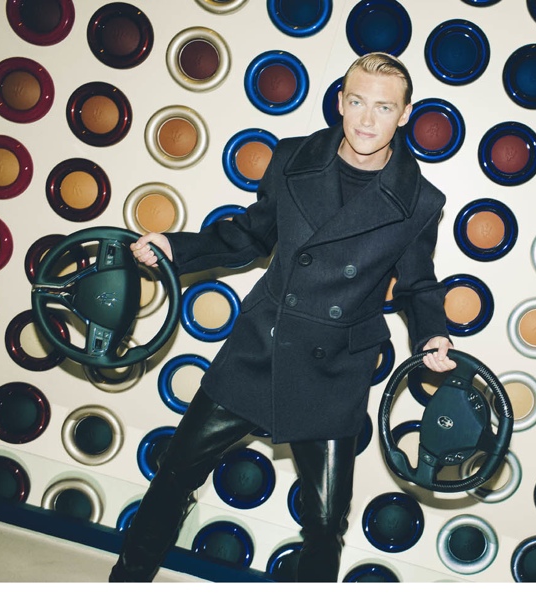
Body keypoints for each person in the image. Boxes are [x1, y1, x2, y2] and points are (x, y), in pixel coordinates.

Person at [109, 52, 456, 583]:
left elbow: (417, 284)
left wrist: (432, 333)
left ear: (405, 114)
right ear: (340, 102)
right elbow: (250, 234)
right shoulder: (293, 157)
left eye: (384, 107)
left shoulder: (420, 201)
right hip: (261, 346)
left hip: (334, 367)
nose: (366, 119)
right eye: (357, 102)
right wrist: (178, 248)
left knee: (325, 524)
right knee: (174, 473)